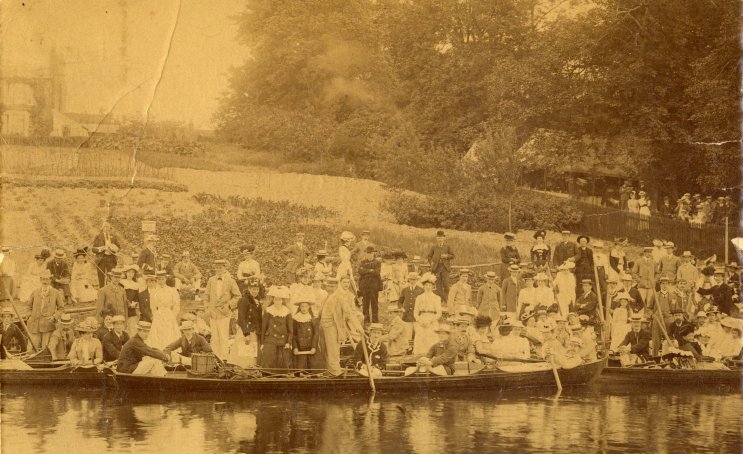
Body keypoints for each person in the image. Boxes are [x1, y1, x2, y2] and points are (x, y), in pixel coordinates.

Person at [317, 276, 364, 376]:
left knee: (333, 351)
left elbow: (350, 313)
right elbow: (320, 313)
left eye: (332, 286)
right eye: (328, 286)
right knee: (324, 351)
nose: (329, 288)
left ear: (336, 287)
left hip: (332, 327)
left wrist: (358, 327)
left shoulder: (339, 298)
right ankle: (329, 372)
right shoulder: (326, 296)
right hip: (322, 327)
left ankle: (336, 373)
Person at [203, 259, 241, 359]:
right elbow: (206, 295)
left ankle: (224, 359)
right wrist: (207, 306)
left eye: (221, 267)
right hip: (213, 313)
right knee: (214, 338)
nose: (219, 269)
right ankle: (215, 359)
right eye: (217, 267)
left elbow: (238, 296)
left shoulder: (230, 281)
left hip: (224, 313)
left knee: (224, 337)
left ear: (225, 268)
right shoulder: (211, 280)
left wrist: (229, 305)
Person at [27, 270, 65, 350]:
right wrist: (30, 315)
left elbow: (61, 308)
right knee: (32, 347)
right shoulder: (35, 292)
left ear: (50, 280)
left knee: (46, 348)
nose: (45, 281)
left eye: (47, 279)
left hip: (48, 323)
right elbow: (29, 306)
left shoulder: (56, 293)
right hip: (34, 323)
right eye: (43, 279)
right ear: (40, 280)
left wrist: (54, 317)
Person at [148, 270, 181, 350]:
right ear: (157, 280)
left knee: (170, 333)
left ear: (165, 279)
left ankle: (170, 350)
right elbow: (152, 305)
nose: (161, 281)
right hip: (158, 315)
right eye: (159, 279)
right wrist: (155, 314)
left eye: (162, 279)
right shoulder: (154, 291)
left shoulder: (172, 290)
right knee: (158, 333)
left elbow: (177, 304)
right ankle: (159, 351)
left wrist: (173, 315)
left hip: (169, 314)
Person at [413, 273, 443, 355]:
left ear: (433, 286)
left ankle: (432, 356)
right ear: (423, 286)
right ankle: (420, 356)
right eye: (426, 285)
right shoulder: (419, 297)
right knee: (421, 338)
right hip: (422, 319)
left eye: (430, 285)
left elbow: (439, 313)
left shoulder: (436, 298)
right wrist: (420, 320)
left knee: (432, 338)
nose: (428, 287)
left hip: (432, 320)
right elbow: (415, 312)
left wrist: (430, 320)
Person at [237, 277, 263, 365]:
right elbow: (242, 318)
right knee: (244, 355)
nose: (255, 291)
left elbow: (259, 319)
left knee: (252, 355)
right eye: (253, 289)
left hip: (254, 331)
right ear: (249, 289)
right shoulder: (243, 300)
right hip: (245, 331)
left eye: (257, 289)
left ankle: (251, 371)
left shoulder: (258, 302)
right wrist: (246, 334)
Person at [292, 293, 319, 373]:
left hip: (311, 347)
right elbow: (294, 335)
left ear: (309, 307)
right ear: (299, 307)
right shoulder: (296, 319)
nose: (304, 308)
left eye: (306, 306)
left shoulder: (312, 318)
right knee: (300, 369)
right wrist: (295, 347)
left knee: (314, 368)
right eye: (302, 306)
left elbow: (316, 334)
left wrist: (314, 347)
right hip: (300, 348)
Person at [427, 230, 455, 304]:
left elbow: (453, 256)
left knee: (446, 284)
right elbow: (429, 256)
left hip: (445, 268)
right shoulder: (434, 247)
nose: (440, 239)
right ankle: (441, 300)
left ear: (444, 238)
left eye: (441, 238)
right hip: (436, 268)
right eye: (439, 238)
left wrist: (447, 256)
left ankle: (447, 300)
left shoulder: (447, 246)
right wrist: (431, 263)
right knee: (438, 285)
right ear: (437, 238)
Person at [358, 246, 382, 324]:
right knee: (365, 303)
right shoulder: (362, 262)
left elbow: (377, 272)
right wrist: (370, 270)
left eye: (371, 253)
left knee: (374, 303)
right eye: (368, 253)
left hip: (374, 286)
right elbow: (360, 271)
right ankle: (366, 319)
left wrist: (366, 271)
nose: (369, 255)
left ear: (373, 254)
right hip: (364, 286)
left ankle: (375, 320)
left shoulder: (377, 263)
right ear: (366, 253)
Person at [399, 271, 423, 337]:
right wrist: (401, 308)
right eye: (411, 279)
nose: (412, 281)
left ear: (417, 280)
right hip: (406, 316)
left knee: (417, 335)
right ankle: (408, 347)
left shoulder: (421, 290)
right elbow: (400, 302)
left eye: (414, 279)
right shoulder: (405, 290)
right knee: (407, 335)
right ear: (408, 280)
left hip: (417, 317)